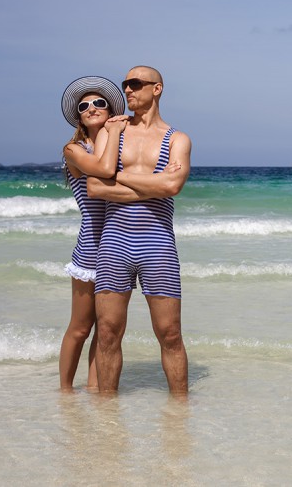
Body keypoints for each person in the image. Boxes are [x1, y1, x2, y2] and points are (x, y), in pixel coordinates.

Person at [87, 65, 192, 394]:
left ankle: (179, 418)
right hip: (114, 242)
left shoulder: (177, 139)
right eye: (125, 84)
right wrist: (156, 184)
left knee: (170, 333)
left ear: (157, 88)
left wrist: (118, 178)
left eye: (135, 84)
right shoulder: (110, 132)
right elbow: (95, 186)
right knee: (107, 332)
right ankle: (107, 418)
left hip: (157, 243)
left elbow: (173, 186)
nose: (127, 90)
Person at [59, 76, 127, 391]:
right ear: (78, 116)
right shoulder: (73, 149)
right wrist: (113, 131)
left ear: (111, 108)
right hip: (90, 246)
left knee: (107, 330)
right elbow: (103, 170)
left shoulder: (122, 142)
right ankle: (65, 392)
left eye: (99, 102)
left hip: (119, 244)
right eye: (83, 106)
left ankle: (93, 388)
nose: (91, 108)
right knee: (81, 327)